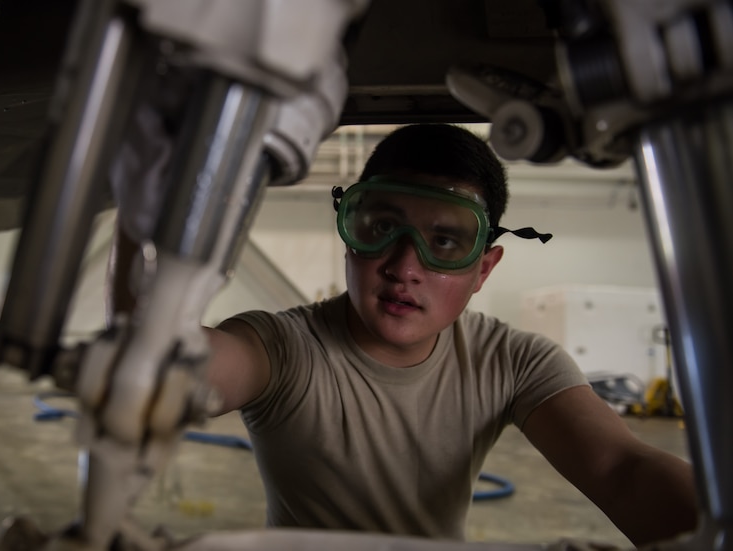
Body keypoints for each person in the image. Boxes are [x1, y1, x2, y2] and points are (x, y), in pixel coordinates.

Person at [111, 124, 698, 546]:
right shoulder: (285, 348)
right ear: (350, 234)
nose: (403, 266)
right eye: (381, 227)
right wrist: (141, 217)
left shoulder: (512, 361)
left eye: (445, 242)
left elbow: (623, 472)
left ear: (483, 269)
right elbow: (161, 372)